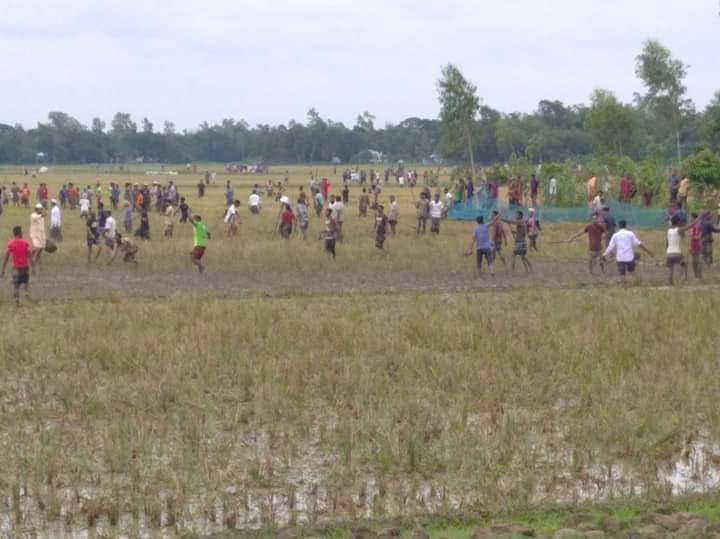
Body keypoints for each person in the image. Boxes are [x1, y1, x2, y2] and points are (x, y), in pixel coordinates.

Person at [603, 220, 653, 285]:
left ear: (618, 226)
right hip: (629, 257)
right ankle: (633, 285)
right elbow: (639, 244)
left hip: (620, 258)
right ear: (626, 225)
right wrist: (648, 251)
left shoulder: (616, 235)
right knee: (631, 273)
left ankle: (624, 286)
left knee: (622, 275)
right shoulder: (630, 234)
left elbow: (610, 247)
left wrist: (604, 255)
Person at [1, 226, 35, 306]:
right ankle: (27, 293)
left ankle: (17, 302)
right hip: (25, 267)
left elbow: (6, 257)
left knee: (16, 286)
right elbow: (30, 256)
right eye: (21, 232)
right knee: (26, 283)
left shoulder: (11, 243)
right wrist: (33, 268)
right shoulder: (25, 243)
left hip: (16, 269)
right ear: (19, 233)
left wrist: (3, 270)